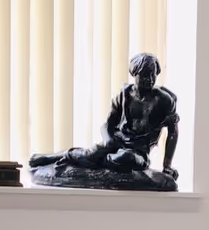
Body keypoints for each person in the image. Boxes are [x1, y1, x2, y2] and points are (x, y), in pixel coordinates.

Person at [29, 52, 179, 187]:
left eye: (153, 75)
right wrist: (108, 140)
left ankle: (95, 161)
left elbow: (173, 132)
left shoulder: (164, 100)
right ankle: (50, 157)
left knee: (127, 158)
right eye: (145, 75)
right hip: (116, 142)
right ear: (134, 74)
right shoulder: (124, 95)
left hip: (138, 152)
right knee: (90, 153)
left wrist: (167, 165)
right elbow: (107, 124)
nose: (150, 80)